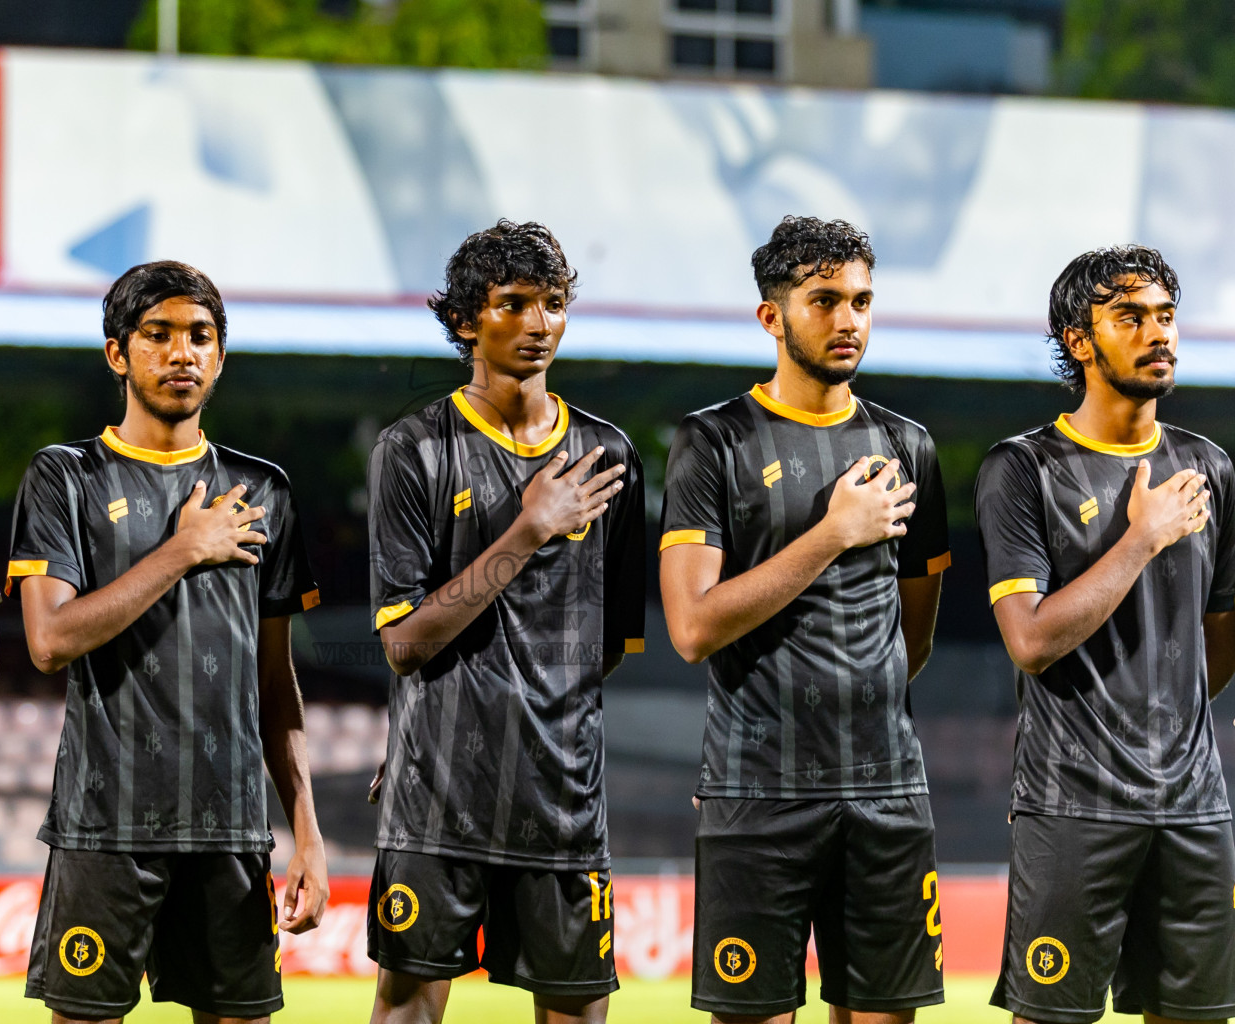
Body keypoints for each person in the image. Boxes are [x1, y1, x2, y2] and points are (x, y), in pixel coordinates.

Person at [8, 260, 327, 1023]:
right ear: (118, 353)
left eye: (199, 336)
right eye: (158, 335)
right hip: (103, 827)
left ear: (220, 356)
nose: (181, 353)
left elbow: (274, 682)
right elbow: (48, 641)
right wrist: (184, 550)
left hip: (231, 832)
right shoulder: (65, 478)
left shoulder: (264, 491)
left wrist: (308, 833)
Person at [659, 216, 949, 1024]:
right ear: (771, 317)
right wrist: (831, 534)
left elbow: (912, 632)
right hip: (757, 794)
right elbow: (690, 628)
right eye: (824, 300)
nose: (849, 319)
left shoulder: (909, 446)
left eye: (861, 300)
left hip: (888, 794)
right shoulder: (712, 443)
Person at [365, 219, 646, 1024]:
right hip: (438, 799)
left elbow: (612, 645)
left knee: (578, 1011)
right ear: (465, 321)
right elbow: (404, 643)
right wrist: (526, 531)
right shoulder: (414, 449)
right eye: (512, 304)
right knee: (408, 1008)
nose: (537, 324)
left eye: (553, 304)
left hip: (564, 802)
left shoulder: (607, 453)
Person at [977, 245, 1235, 1024]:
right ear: (1079, 340)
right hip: (1071, 807)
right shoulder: (1025, 469)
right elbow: (1028, 640)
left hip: (1194, 808)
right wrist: (1140, 540)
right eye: (1130, 317)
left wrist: (1163, 710)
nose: (1159, 334)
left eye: (1164, 316)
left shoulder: (1209, 467)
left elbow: (1218, 640)